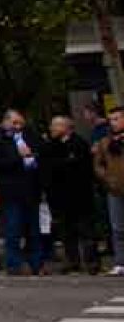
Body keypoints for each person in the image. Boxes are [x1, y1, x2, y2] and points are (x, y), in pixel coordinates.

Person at [0, 109, 44, 275]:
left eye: (20, 123)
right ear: (5, 122)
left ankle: (37, 263)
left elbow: (41, 152)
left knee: (34, 229)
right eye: (14, 123)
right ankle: (14, 264)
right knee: (13, 228)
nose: (18, 126)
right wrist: (18, 157)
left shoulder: (30, 136)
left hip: (31, 188)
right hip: (11, 190)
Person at [43, 115, 98, 274]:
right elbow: (48, 168)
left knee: (85, 230)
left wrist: (62, 165)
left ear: (65, 127)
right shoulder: (51, 146)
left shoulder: (79, 144)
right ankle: (72, 260)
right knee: (67, 232)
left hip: (80, 196)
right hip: (60, 197)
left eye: (55, 126)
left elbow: (80, 169)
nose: (51, 129)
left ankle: (91, 261)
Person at [93, 107, 124, 276]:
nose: (113, 122)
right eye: (111, 119)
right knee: (118, 228)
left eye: (117, 118)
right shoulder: (105, 142)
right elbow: (98, 164)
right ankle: (120, 262)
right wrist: (106, 177)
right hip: (115, 189)